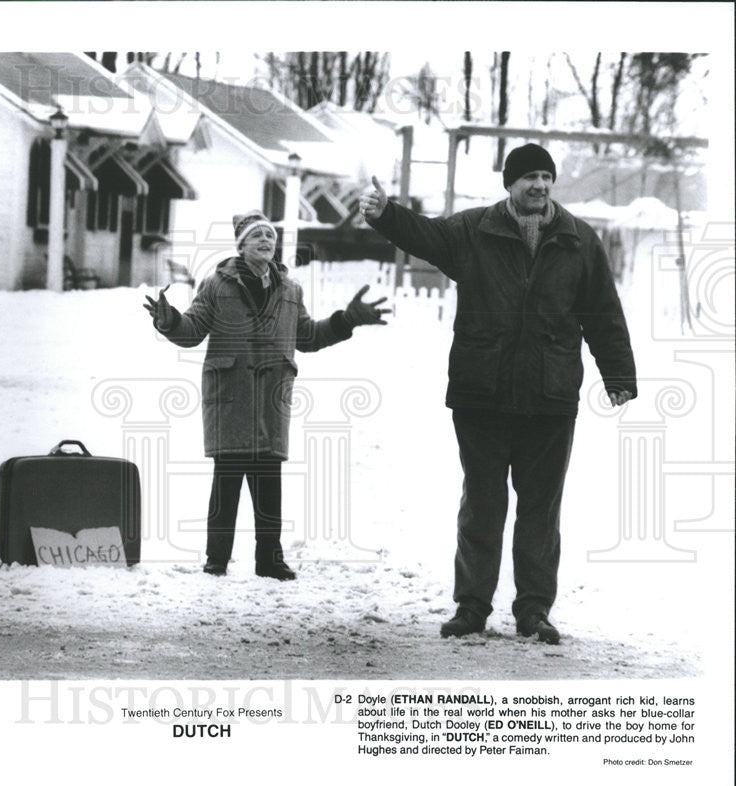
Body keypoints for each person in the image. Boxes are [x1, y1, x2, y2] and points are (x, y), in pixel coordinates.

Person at [359, 143, 636, 644]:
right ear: (509, 184)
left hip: (550, 397)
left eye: (546, 177)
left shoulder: (578, 240)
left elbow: (603, 313)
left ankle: (534, 610)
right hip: (481, 392)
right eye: (529, 176)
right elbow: (424, 234)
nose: (540, 185)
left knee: (540, 509)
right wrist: (386, 215)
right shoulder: (473, 231)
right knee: (482, 503)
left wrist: (617, 376)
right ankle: (471, 607)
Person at [145, 210, 390, 580]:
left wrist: (347, 319)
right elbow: (192, 329)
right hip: (231, 393)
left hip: (271, 396)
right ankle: (217, 558)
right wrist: (169, 320)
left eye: (270, 236)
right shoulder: (216, 284)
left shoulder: (290, 289)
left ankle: (269, 559)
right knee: (226, 480)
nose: (266, 241)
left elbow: (307, 336)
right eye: (257, 235)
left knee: (268, 480)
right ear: (241, 244)